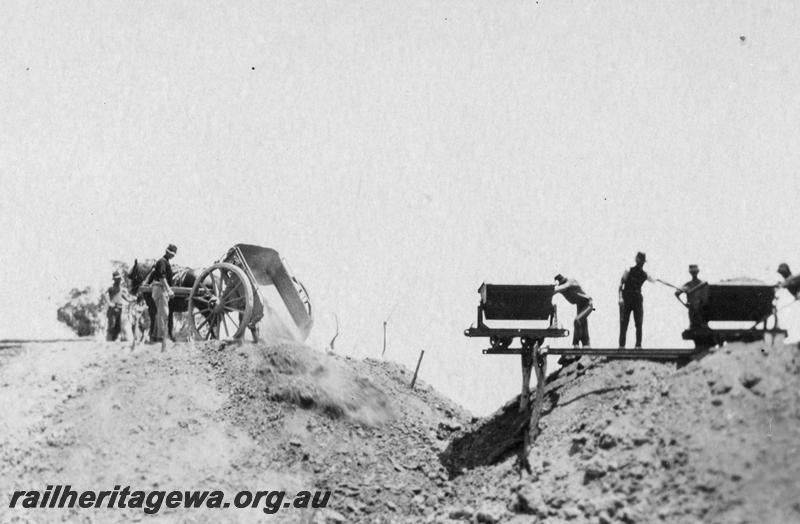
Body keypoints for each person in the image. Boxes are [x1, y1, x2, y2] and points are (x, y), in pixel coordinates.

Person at [618, 251, 655, 348]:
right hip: (626, 298)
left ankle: (638, 345)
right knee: (624, 322)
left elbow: (654, 280)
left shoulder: (645, 274)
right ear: (636, 260)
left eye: (642, 261)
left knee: (639, 323)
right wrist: (620, 298)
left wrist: (658, 279)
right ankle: (621, 346)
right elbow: (620, 285)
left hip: (637, 298)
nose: (641, 262)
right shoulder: (628, 270)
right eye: (639, 260)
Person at [149, 244, 177, 352]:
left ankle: (157, 338)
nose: (172, 256)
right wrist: (169, 289)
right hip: (161, 288)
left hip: (160, 288)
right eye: (171, 253)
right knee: (164, 313)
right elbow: (162, 277)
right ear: (167, 251)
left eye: (173, 254)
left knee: (160, 313)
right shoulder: (162, 262)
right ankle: (162, 340)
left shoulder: (165, 262)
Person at [553, 274, 593, 348]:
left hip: (587, 304)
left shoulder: (571, 282)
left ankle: (575, 344)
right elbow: (556, 290)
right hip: (580, 305)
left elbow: (564, 287)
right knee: (583, 325)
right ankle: (586, 344)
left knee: (577, 321)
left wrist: (554, 288)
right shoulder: (563, 288)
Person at [675, 264, 709, 329]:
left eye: (695, 272)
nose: (694, 274)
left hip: (701, 308)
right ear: (691, 273)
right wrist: (684, 304)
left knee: (702, 323)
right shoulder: (688, 285)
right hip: (692, 309)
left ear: (697, 272)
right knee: (693, 325)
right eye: (693, 272)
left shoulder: (702, 283)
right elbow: (676, 293)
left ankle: (703, 324)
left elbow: (706, 296)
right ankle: (692, 325)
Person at [106, 271, 134, 341]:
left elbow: (126, 297)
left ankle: (115, 339)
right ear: (114, 280)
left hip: (120, 308)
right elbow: (105, 295)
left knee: (118, 325)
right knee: (111, 324)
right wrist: (109, 303)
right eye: (117, 279)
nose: (119, 280)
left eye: (120, 279)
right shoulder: (110, 288)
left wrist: (132, 299)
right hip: (112, 308)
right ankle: (109, 340)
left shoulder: (121, 289)